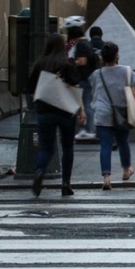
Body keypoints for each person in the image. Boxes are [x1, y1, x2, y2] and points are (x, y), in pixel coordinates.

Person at [26, 33, 86, 197]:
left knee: (46, 147)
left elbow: (31, 90)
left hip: (45, 111)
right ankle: (66, 184)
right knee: (67, 147)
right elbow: (76, 87)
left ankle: (40, 171)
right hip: (65, 111)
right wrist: (81, 110)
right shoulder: (67, 63)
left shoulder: (40, 64)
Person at [90, 42, 135, 191]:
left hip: (103, 113)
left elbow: (94, 92)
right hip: (122, 112)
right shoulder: (127, 71)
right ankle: (126, 170)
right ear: (117, 55)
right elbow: (133, 93)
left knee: (105, 145)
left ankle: (106, 177)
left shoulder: (96, 74)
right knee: (123, 141)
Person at [64, 16, 97, 140]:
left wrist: (71, 62)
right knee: (86, 103)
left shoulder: (81, 45)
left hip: (84, 79)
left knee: (86, 104)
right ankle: (86, 129)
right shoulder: (86, 43)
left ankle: (89, 129)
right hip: (87, 78)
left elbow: (82, 61)